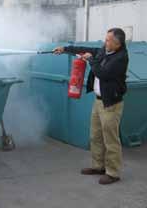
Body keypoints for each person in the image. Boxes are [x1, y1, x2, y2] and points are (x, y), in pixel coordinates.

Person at [54, 28, 129, 185]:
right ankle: (98, 166)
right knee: (95, 136)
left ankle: (113, 173)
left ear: (118, 43)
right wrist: (65, 49)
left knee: (110, 140)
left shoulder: (120, 58)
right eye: (105, 39)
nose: (105, 42)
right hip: (98, 101)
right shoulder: (104, 50)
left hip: (111, 104)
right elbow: (88, 50)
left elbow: (103, 73)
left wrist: (90, 60)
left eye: (108, 40)